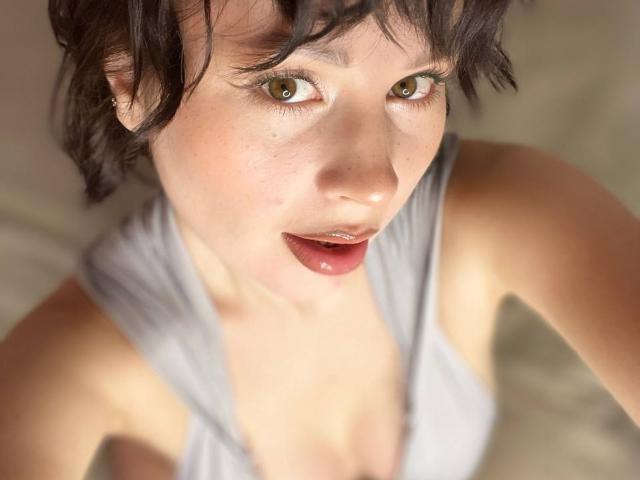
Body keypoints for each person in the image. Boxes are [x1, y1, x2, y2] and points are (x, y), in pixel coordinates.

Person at [1, 0, 638, 479]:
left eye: (412, 85)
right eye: (287, 85)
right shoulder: (71, 371)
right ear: (134, 84)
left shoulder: (502, 214)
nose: (375, 184)